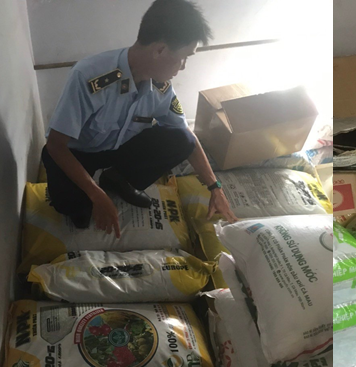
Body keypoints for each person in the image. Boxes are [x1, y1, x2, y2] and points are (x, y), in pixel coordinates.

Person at [43, 0, 236, 238]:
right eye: (184, 57)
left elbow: (187, 137)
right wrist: (96, 195)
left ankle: (117, 179)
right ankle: (90, 192)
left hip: (119, 149)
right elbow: (56, 145)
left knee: (181, 139)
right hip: (79, 152)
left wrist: (215, 188)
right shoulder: (90, 77)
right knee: (74, 209)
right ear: (160, 50)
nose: (184, 67)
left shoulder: (161, 87)